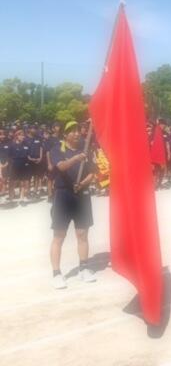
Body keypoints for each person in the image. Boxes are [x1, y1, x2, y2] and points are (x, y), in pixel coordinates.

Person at [49, 121, 97, 289]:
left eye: (78, 130)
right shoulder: (58, 149)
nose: (77, 133)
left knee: (82, 234)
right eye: (72, 131)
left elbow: (92, 172)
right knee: (59, 235)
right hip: (63, 195)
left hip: (81, 195)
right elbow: (61, 167)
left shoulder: (86, 149)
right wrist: (76, 158)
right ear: (65, 134)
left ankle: (84, 268)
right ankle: (56, 274)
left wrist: (82, 183)